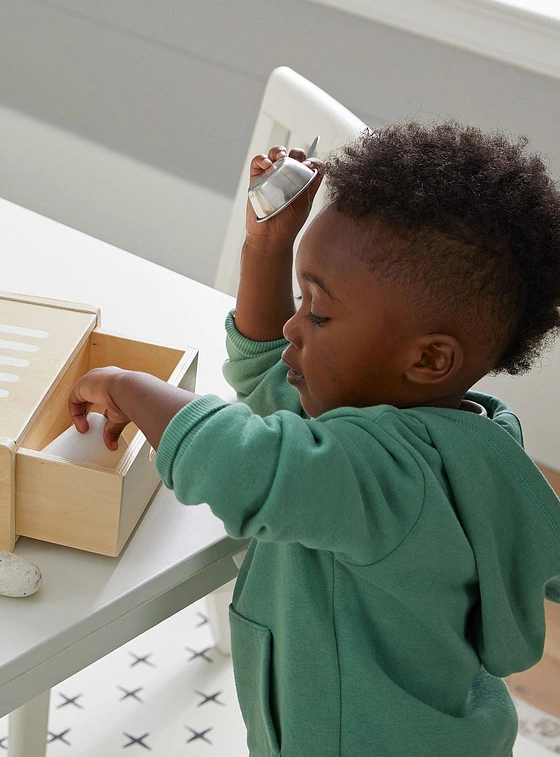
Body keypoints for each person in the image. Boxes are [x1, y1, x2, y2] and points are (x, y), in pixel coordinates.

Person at [68, 122, 560, 756]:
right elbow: (267, 370)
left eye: (320, 313)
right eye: (301, 299)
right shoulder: (444, 429)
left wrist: (129, 387)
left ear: (430, 358)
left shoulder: (391, 477)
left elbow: (243, 465)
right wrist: (268, 247)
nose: (294, 326)